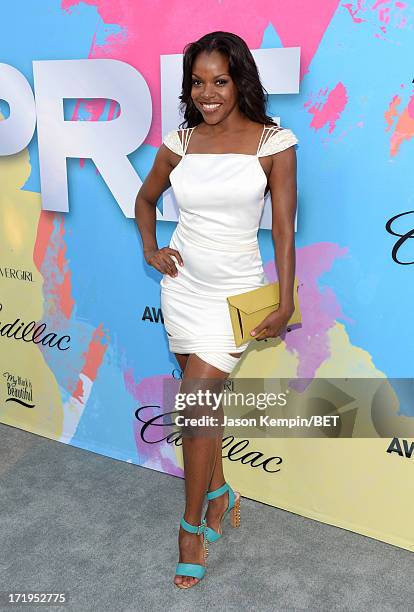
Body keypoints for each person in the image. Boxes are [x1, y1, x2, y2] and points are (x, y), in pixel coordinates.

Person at [135, 30, 298, 589]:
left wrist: (287, 296)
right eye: (197, 82)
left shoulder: (273, 143)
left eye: (220, 81)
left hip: (236, 295)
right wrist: (151, 250)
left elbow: (281, 228)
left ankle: (190, 529)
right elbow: (145, 199)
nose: (208, 93)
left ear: (241, 81)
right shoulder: (180, 142)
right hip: (182, 289)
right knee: (203, 409)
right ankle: (221, 491)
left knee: (196, 402)